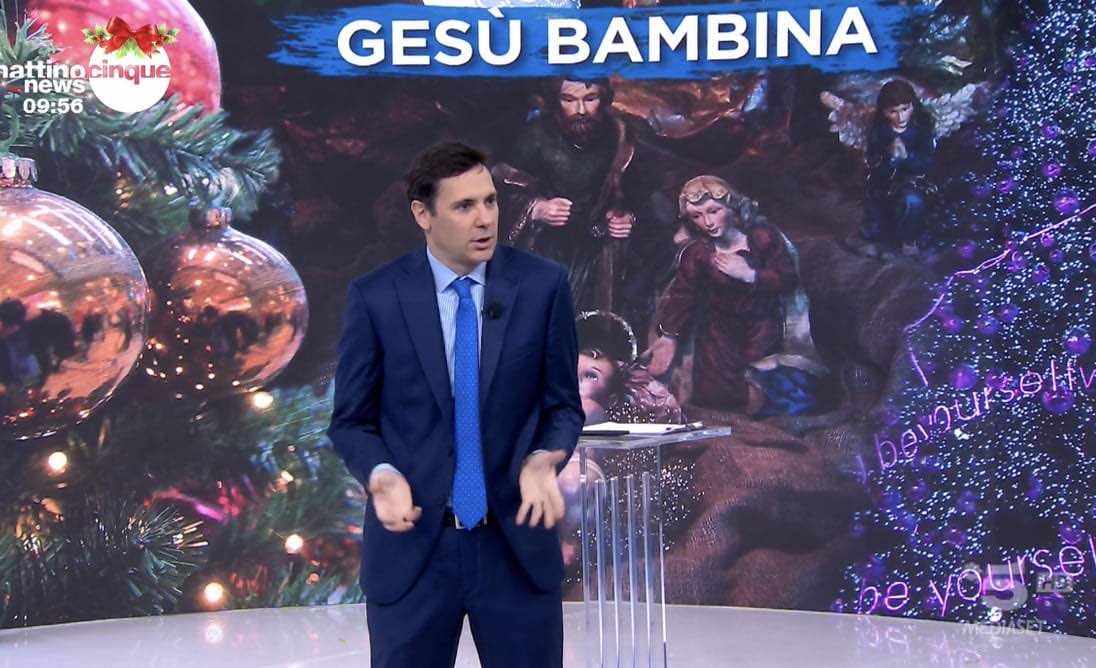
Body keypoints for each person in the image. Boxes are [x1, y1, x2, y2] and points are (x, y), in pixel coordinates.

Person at [327, 141, 584, 667]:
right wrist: (381, 475)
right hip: (414, 552)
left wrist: (544, 459)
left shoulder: (542, 286)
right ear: (423, 214)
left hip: (514, 549)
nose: (485, 219)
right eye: (464, 206)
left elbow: (563, 407)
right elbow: (351, 421)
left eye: (490, 201)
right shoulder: (376, 297)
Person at [493, 77, 685, 340]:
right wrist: (535, 208)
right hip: (544, 248)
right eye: (569, 100)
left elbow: (645, 196)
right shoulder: (535, 136)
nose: (581, 110)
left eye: (590, 99)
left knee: (595, 331)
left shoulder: (621, 136)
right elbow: (497, 190)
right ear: (555, 101)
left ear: (604, 100)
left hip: (600, 253)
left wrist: (627, 218)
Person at [646, 175, 824, 415]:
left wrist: (750, 275)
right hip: (717, 332)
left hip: (762, 325)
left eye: (714, 211)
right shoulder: (698, 253)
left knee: (770, 383)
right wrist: (669, 337)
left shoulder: (762, 239)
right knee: (714, 394)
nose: (707, 222)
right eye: (697, 216)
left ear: (732, 206)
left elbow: (787, 279)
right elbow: (682, 296)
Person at [858, 80, 936, 260]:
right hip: (883, 183)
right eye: (893, 111)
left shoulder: (922, 128)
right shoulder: (879, 131)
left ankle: (908, 240)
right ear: (883, 111)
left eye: (905, 109)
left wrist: (907, 157)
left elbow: (926, 162)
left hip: (914, 181)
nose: (900, 117)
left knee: (913, 201)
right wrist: (891, 157)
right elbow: (873, 163)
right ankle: (878, 239)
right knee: (875, 205)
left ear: (913, 105)